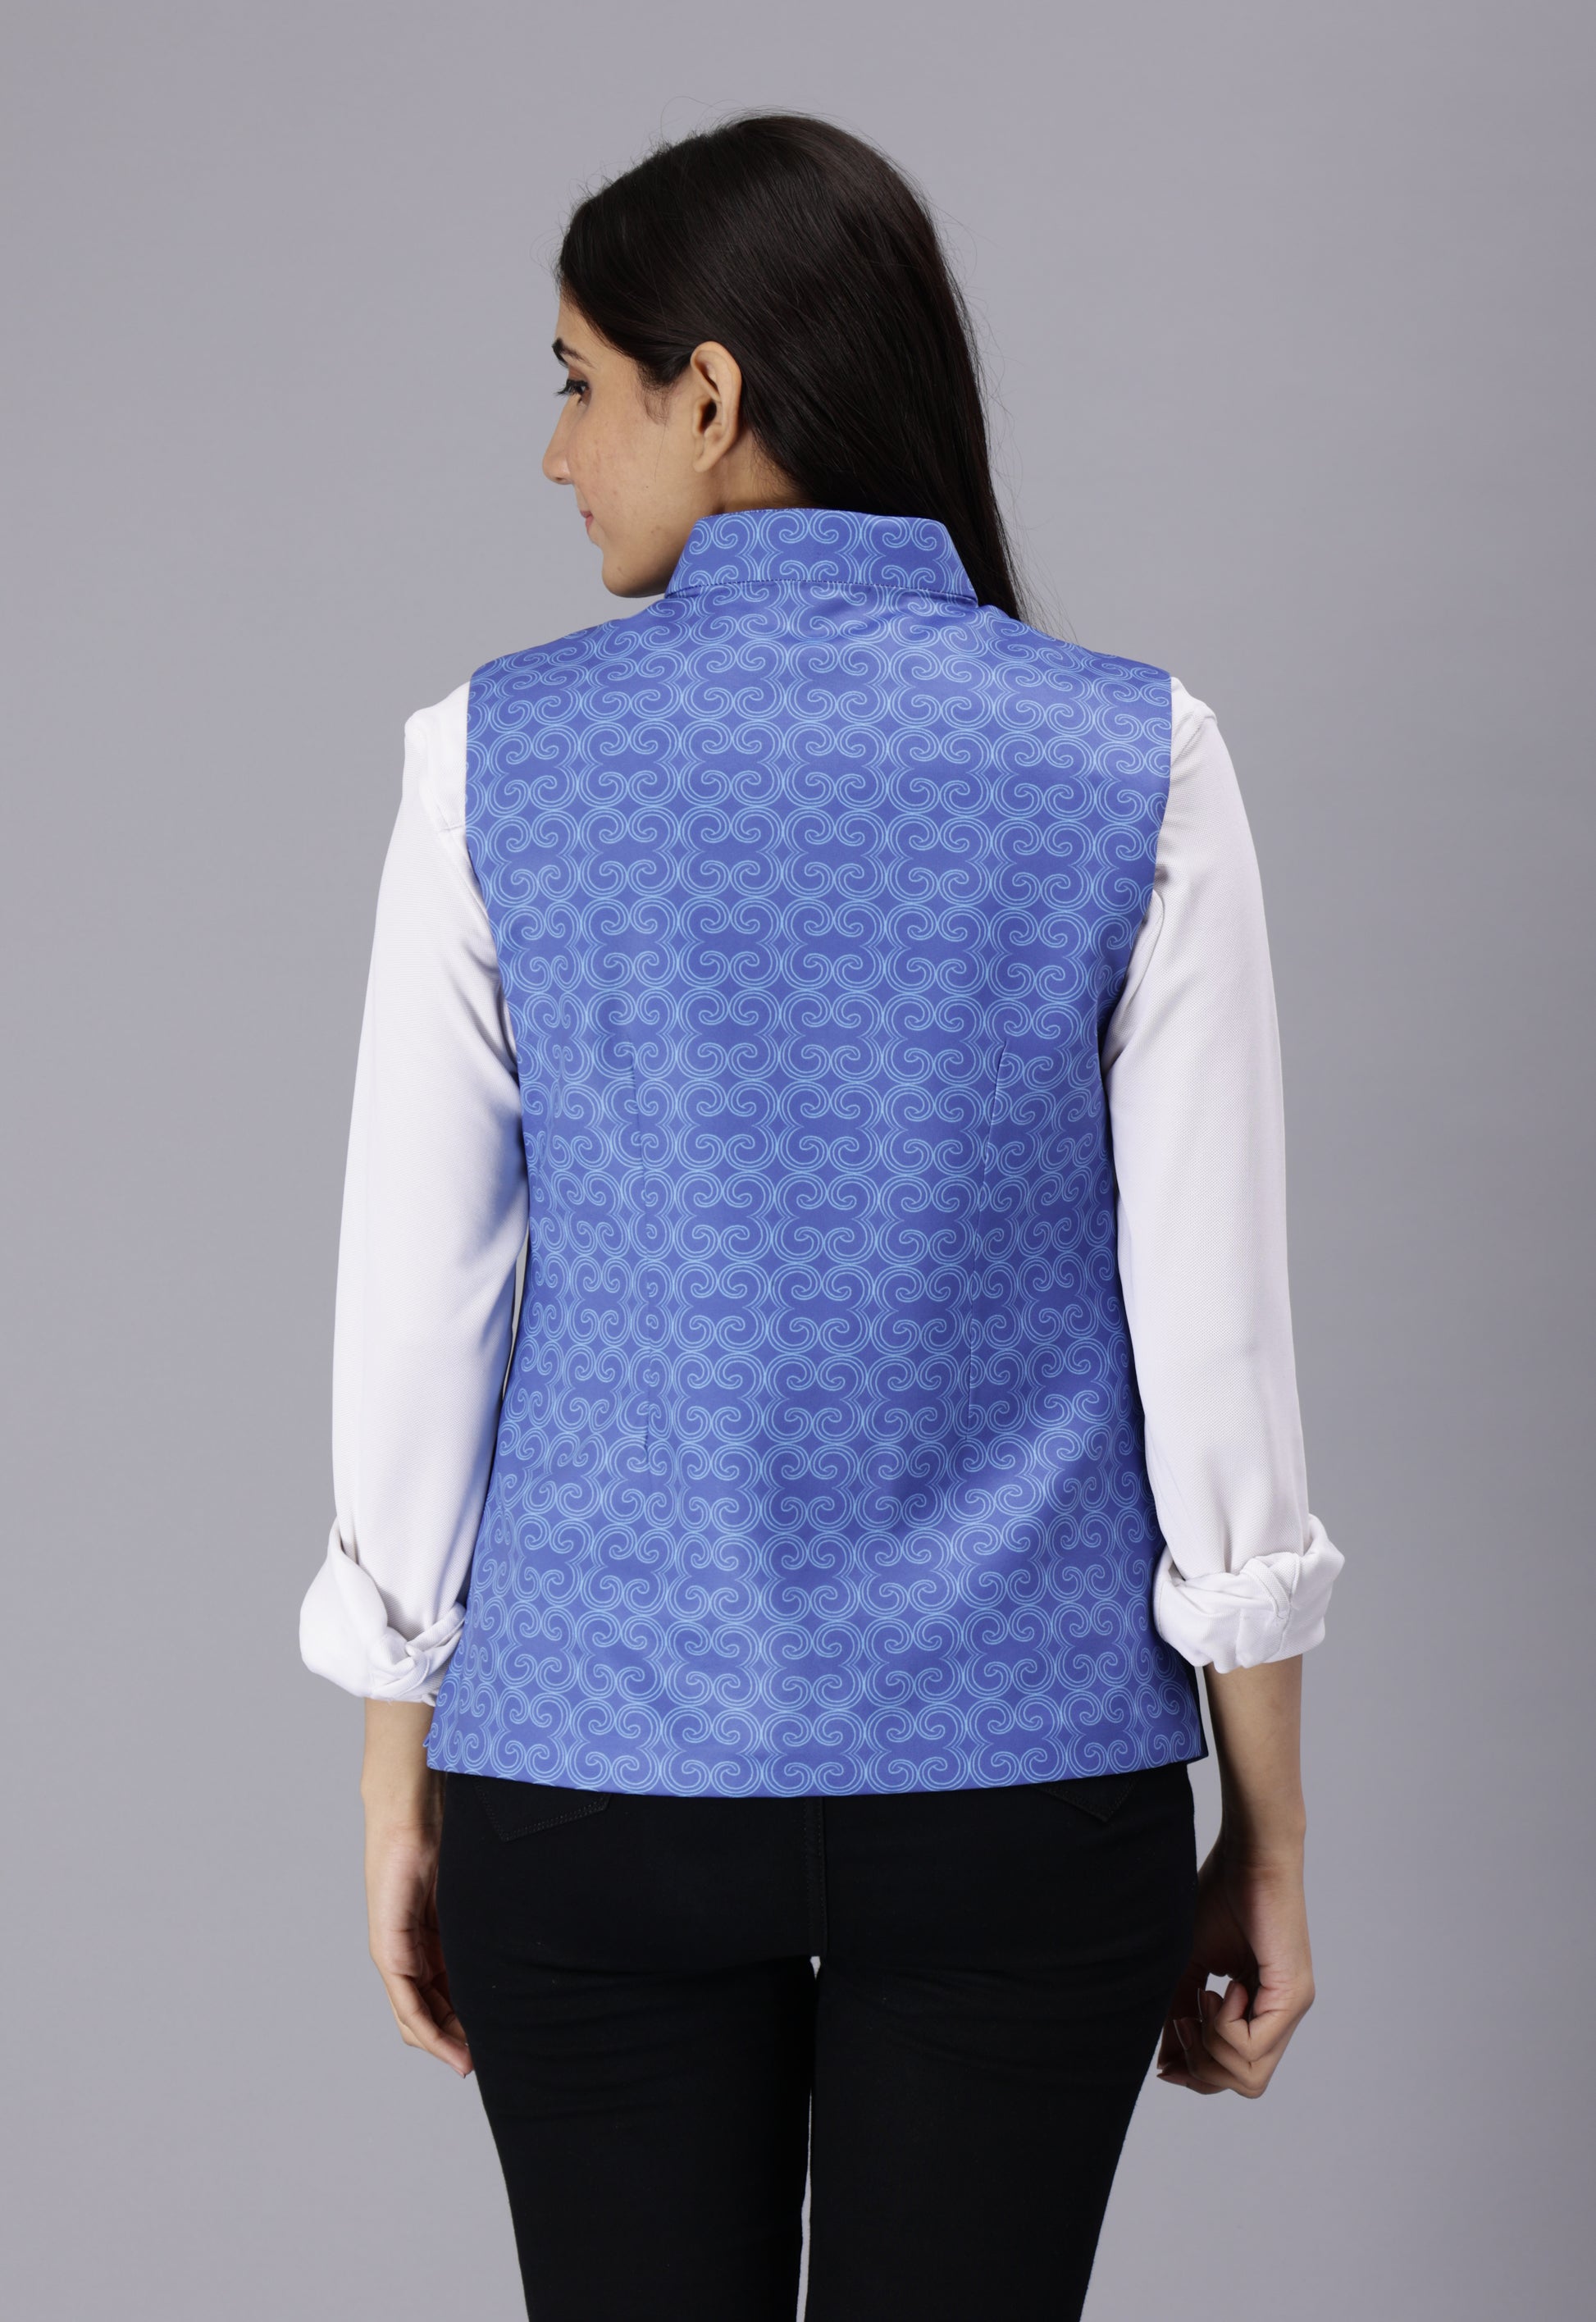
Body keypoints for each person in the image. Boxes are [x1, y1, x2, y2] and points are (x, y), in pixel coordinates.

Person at [299, 112, 1343, 2322]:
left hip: (589, 1775)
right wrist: (1268, 1825)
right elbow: (1213, 1331)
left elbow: (419, 1308)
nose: (556, 451)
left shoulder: (485, 759)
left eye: (578, 382)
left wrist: (399, 1774)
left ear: (711, 393)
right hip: (1025, 1782)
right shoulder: (1135, 757)